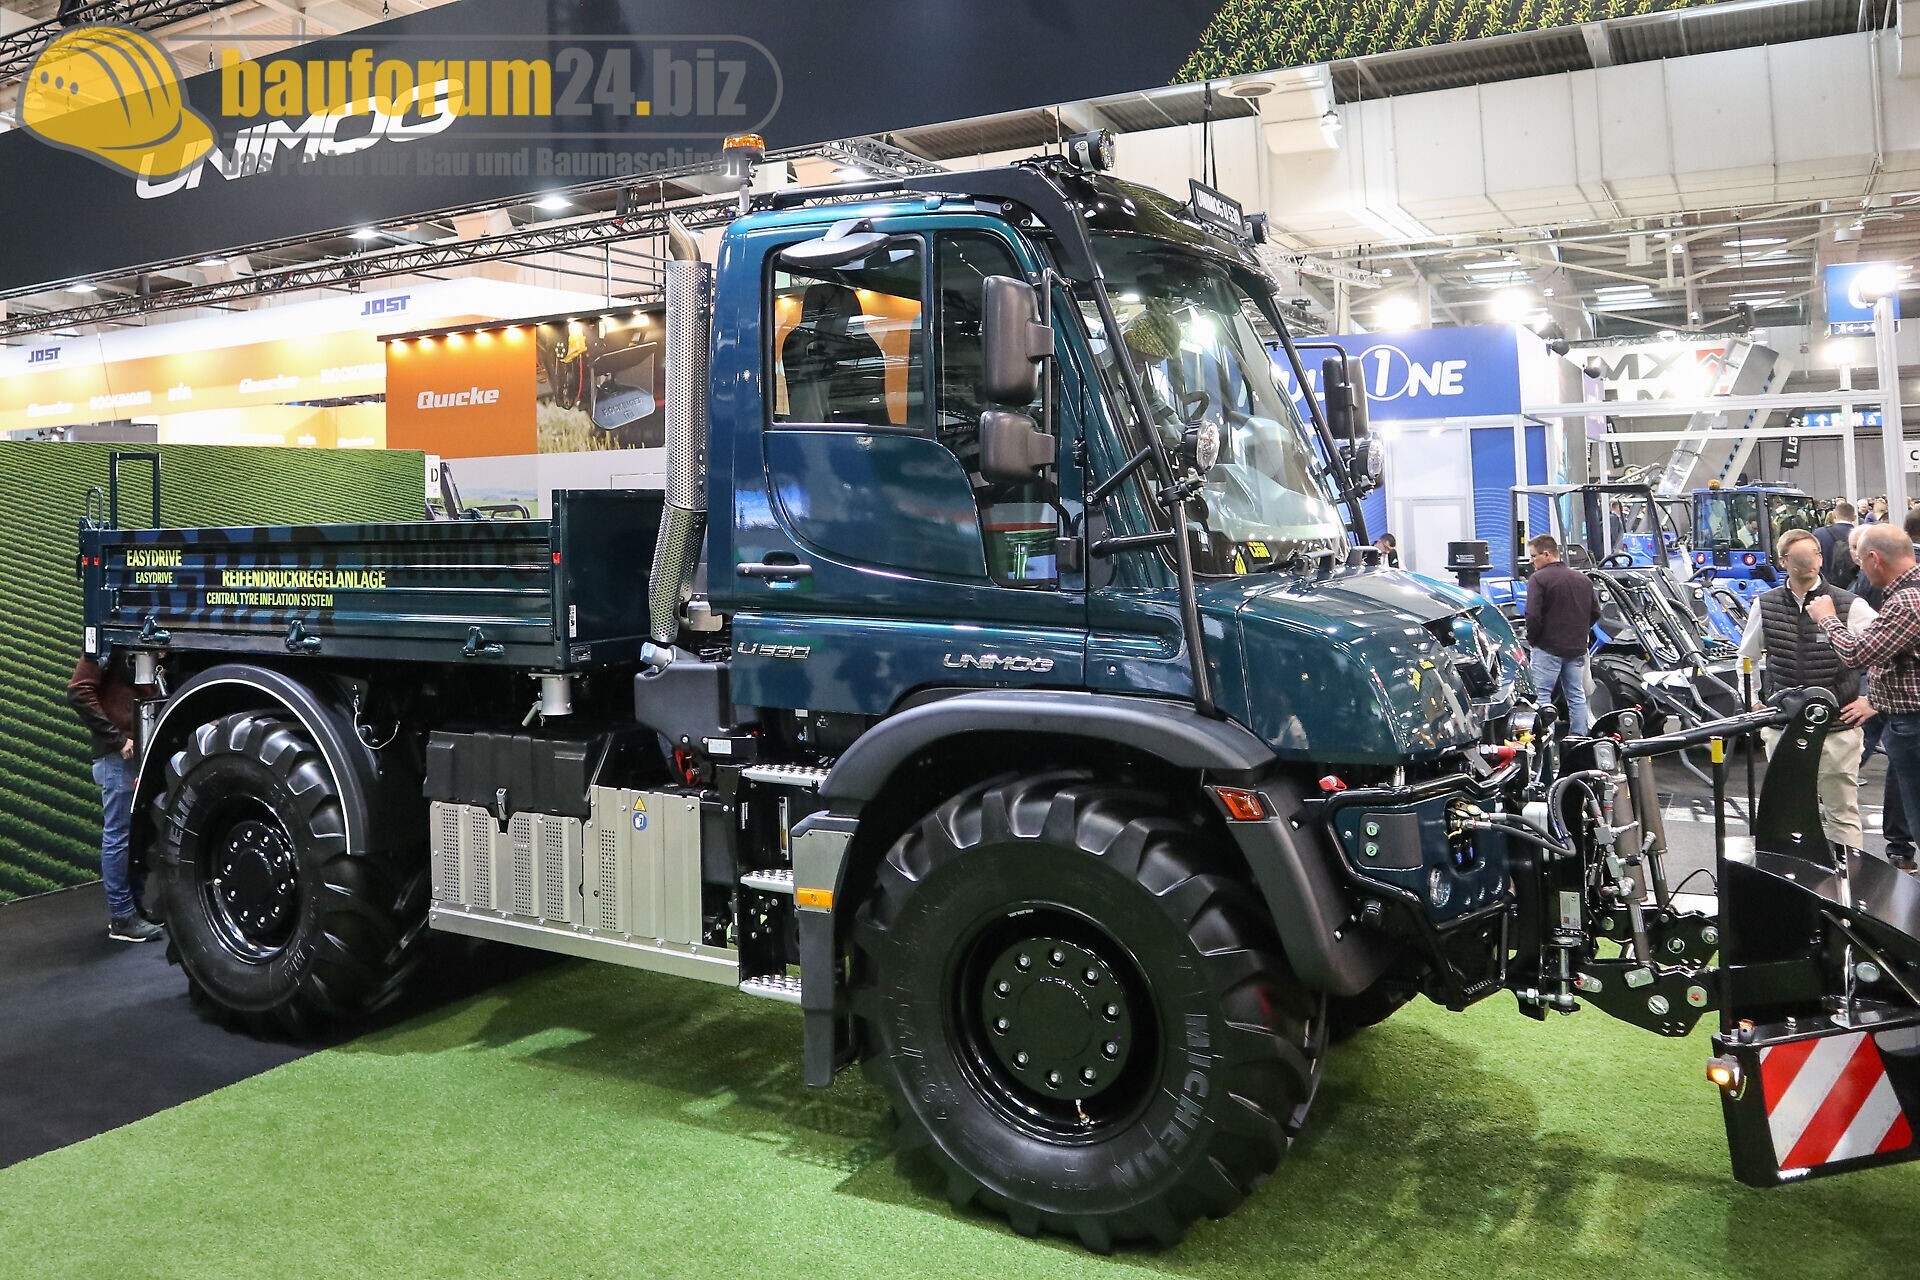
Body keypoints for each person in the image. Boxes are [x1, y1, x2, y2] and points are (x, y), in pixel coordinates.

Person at [1738, 530, 1877, 855]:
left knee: (1842, 812)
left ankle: (1847, 880)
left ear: (1821, 559)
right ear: (1783, 562)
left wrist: (1871, 699)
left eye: (1813, 556)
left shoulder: (1850, 605)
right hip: (1784, 728)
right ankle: (1795, 878)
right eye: (1800, 558)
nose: (1809, 564)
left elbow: (1887, 653)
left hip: (1838, 729)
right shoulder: (1766, 605)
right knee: (1787, 813)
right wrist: (1753, 701)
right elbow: (1746, 657)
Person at [1808, 524, 1920, 871]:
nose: (1861, 569)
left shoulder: (1907, 602)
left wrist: (1827, 619)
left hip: (1912, 725)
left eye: (1860, 560)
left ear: (1874, 558)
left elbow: (1858, 653)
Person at [66, 652, 162, 942]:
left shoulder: (141, 641)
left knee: (139, 833)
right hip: (118, 755)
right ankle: (122, 916)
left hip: (139, 750)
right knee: (119, 835)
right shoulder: (108, 642)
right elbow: (78, 690)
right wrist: (117, 738)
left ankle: (135, 908)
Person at [1524, 534, 1602, 736]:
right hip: (1576, 649)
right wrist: (1579, 632)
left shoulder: (1538, 579)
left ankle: (1546, 742)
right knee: (1576, 695)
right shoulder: (1583, 579)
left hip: (1547, 648)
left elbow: (1532, 615)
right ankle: (1579, 737)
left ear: (1546, 554)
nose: (1532, 561)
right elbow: (1595, 612)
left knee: (1542, 697)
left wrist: (1533, 640)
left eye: (1533, 556)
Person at [1815, 501, 1858, 589]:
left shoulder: (1819, 534)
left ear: (1834, 515)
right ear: (1854, 517)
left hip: (1825, 586)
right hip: (1853, 587)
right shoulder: (1862, 535)